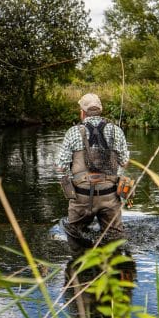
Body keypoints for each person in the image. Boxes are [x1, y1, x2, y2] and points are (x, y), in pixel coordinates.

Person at [56, 93, 130, 242]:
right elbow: (124, 163)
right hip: (109, 195)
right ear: (100, 110)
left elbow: (60, 167)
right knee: (115, 240)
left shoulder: (72, 132)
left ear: (82, 112)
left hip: (81, 196)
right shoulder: (117, 131)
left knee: (74, 236)